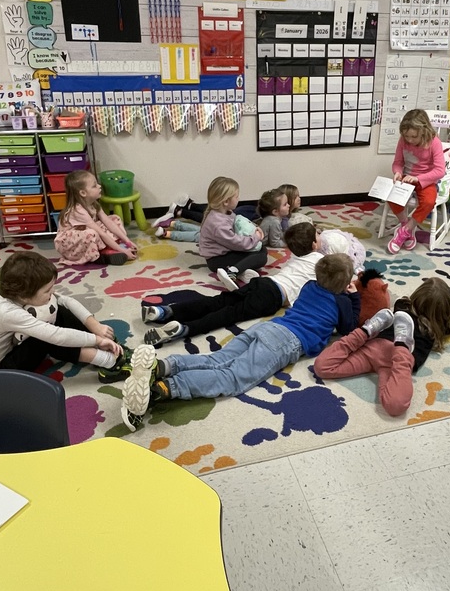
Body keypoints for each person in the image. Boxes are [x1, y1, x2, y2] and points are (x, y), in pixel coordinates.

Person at [120, 254, 359, 430]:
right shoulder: (342, 303)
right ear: (344, 283)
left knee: (218, 359)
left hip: (269, 327)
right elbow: (349, 327)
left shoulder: (308, 286)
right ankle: (165, 389)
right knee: (232, 378)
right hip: (287, 341)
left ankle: (163, 366)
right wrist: (353, 296)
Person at [140, 222, 322, 346]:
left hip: (264, 282)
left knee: (218, 301)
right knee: (229, 314)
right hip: (272, 297)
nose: (321, 236)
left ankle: (165, 311)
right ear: (314, 245)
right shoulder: (322, 262)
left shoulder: (295, 260)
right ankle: (186, 329)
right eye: (318, 235)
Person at [314, 276, 450, 417]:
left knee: (322, 367)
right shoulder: (440, 326)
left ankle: (370, 332)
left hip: (382, 353)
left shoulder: (402, 305)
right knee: (395, 405)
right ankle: (387, 337)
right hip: (393, 358)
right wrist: (442, 314)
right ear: (445, 313)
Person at [0, 251, 126, 377]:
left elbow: (65, 301)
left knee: (58, 310)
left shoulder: (16, 294)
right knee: (47, 337)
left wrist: (96, 329)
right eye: (47, 291)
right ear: (24, 296)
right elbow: (57, 336)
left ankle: (106, 345)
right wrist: (95, 338)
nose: (53, 293)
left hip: (9, 349)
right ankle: (109, 361)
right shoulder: (7, 312)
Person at [387, 108, 445, 254]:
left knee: (428, 202)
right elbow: (397, 162)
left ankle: (405, 230)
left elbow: (440, 171)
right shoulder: (403, 141)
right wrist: (397, 173)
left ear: (423, 132)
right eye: (406, 136)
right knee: (391, 195)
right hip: (407, 177)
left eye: (414, 137)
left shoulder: (434, 142)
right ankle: (406, 226)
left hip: (426, 180)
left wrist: (418, 179)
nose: (409, 140)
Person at [199, 175, 268, 290]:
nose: (238, 199)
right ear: (226, 201)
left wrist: (254, 228)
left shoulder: (226, 212)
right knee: (261, 256)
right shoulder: (218, 224)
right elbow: (236, 243)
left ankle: (241, 270)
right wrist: (255, 237)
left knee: (261, 250)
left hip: (225, 252)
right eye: (236, 196)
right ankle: (231, 272)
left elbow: (238, 224)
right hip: (217, 260)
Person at [54, 170, 137, 266]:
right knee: (92, 233)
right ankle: (100, 258)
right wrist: (122, 250)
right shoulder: (78, 210)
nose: (99, 186)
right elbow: (101, 233)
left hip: (84, 235)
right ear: (83, 193)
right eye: (94, 186)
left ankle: (109, 248)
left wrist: (128, 241)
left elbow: (108, 222)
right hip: (69, 245)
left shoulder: (93, 203)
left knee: (115, 219)